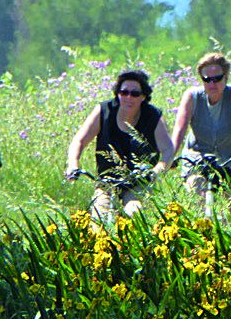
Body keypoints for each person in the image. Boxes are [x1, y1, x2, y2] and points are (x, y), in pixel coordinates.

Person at [64, 69, 175, 222]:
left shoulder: (153, 116)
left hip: (138, 183)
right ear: (118, 94)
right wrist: (73, 164)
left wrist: (155, 171)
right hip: (107, 183)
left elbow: (168, 150)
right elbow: (79, 141)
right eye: (124, 92)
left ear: (143, 97)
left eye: (135, 94)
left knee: (134, 214)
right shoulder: (104, 111)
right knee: (99, 218)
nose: (129, 97)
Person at [170, 52, 231, 201]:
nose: (212, 84)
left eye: (217, 79)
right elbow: (179, 130)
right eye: (206, 80)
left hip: (230, 157)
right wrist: (168, 157)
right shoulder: (192, 97)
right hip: (198, 156)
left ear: (226, 77)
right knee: (197, 192)